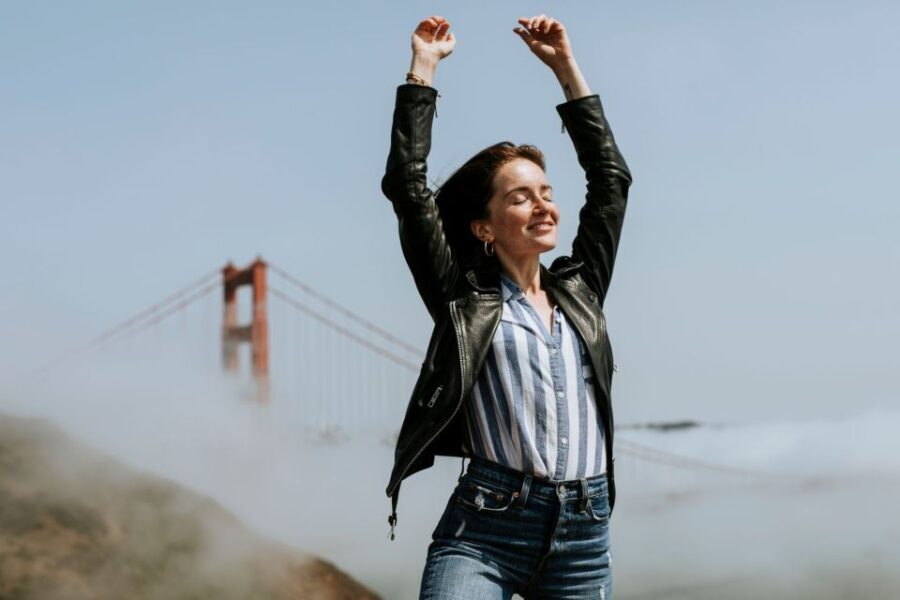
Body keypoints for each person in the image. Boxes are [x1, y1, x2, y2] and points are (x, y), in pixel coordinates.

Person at [381, 13, 632, 599]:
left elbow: (611, 180)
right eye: (521, 197)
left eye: (547, 193)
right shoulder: (462, 298)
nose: (544, 206)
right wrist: (423, 70)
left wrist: (565, 67)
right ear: (484, 227)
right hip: (486, 527)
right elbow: (409, 189)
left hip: (586, 533)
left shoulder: (581, 290)